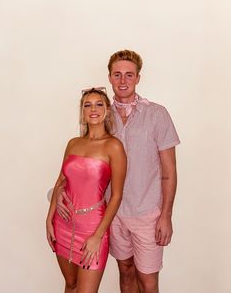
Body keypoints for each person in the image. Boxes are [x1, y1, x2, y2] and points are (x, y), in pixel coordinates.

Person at [57, 50, 180, 293]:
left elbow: (169, 172)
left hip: (146, 213)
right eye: (117, 75)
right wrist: (59, 191)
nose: (123, 80)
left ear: (138, 78)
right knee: (125, 269)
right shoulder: (101, 113)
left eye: (129, 75)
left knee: (148, 280)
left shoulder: (157, 114)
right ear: (110, 78)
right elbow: (82, 164)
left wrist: (166, 215)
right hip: (111, 215)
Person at [46, 87, 127, 293]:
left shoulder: (114, 146)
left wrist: (98, 236)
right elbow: (61, 180)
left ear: (107, 110)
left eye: (99, 104)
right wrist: (49, 218)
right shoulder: (73, 143)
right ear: (82, 111)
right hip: (63, 224)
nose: (93, 109)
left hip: (93, 228)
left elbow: (117, 195)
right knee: (70, 285)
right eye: (87, 105)